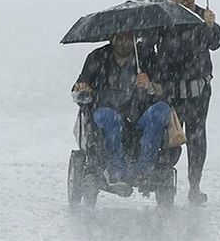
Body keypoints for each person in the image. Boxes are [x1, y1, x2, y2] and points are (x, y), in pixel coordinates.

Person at [72, 31, 171, 195]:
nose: (123, 43)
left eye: (127, 39)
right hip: (106, 114)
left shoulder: (146, 56)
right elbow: (80, 86)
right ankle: (116, 172)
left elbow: (165, 89)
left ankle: (144, 171)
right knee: (108, 117)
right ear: (111, 38)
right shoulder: (97, 57)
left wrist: (150, 85)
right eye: (119, 38)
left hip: (139, 116)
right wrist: (83, 88)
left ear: (134, 39)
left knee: (161, 110)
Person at [156, 0, 220, 204]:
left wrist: (211, 26)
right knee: (170, 138)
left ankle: (195, 186)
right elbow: (148, 47)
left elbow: (215, 43)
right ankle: (164, 184)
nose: (188, 3)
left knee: (197, 138)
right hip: (171, 92)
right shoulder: (162, 18)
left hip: (198, 91)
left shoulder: (203, 17)